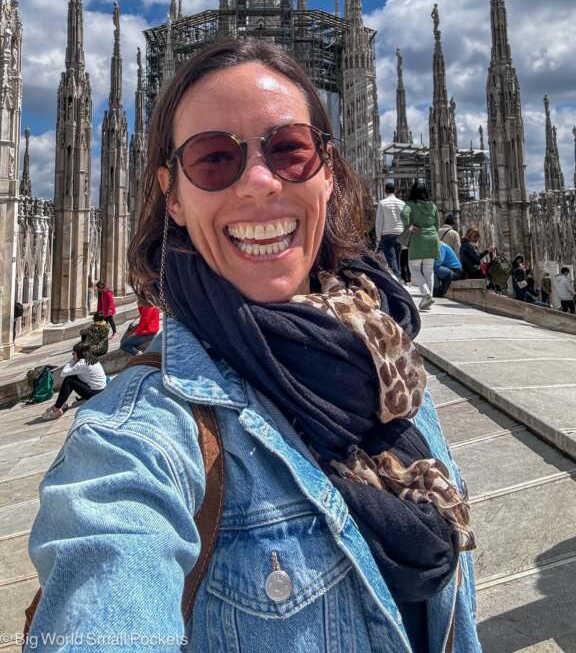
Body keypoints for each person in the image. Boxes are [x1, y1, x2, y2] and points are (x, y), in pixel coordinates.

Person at [28, 39, 480, 653]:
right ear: (173, 196)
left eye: (289, 150)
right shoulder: (139, 436)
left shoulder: (387, 360)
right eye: (215, 159)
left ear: (329, 173)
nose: (259, 183)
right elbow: (107, 574)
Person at [41, 342, 107, 421]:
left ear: (79, 354)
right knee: (72, 376)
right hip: (102, 390)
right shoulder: (92, 359)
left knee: (69, 380)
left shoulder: (81, 364)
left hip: (94, 394)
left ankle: (56, 408)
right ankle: (61, 403)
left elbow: (63, 373)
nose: (72, 355)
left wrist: (72, 360)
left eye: (73, 353)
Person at [401, 181, 440, 312]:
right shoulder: (433, 206)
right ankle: (428, 299)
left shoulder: (411, 205)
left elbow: (403, 214)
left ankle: (426, 294)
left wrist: (409, 226)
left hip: (418, 238)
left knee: (414, 268)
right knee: (429, 270)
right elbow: (437, 223)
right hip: (433, 238)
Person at [374, 181, 405, 277]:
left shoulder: (382, 203)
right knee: (397, 259)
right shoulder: (402, 203)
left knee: (391, 260)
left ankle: (397, 280)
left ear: (385, 191)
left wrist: (378, 238)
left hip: (387, 235)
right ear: (395, 191)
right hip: (400, 234)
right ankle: (398, 278)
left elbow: (379, 222)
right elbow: (405, 220)